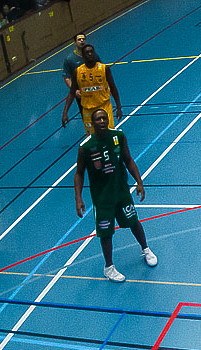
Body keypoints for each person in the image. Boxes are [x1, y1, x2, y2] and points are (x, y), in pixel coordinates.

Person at [73, 108, 157, 282]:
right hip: (102, 199)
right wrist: (78, 197)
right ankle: (109, 267)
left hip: (121, 192)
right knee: (106, 233)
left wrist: (139, 182)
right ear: (92, 123)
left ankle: (145, 249)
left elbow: (128, 160)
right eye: (98, 119)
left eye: (104, 118)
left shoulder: (118, 137)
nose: (102, 121)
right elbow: (79, 173)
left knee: (134, 222)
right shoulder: (85, 147)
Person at [61, 43, 122, 135]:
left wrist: (118, 107)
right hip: (88, 110)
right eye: (87, 52)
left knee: (108, 135)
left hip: (104, 107)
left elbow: (113, 88)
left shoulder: (104, 68)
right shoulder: (77, 72)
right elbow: (72, 92)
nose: (90, 54)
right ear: (83, 55)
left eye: (91, 52)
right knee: (92, 137)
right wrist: (65, 112)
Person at [61, 33, 95, 115]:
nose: (82, 41)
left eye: (83, 39)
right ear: (75, 42)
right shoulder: (69, 59)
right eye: (79, 39)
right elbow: (67, 77)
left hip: (95, 89)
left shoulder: (92, 55)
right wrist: (75, 90)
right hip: (81, 93)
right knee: (86, 116)